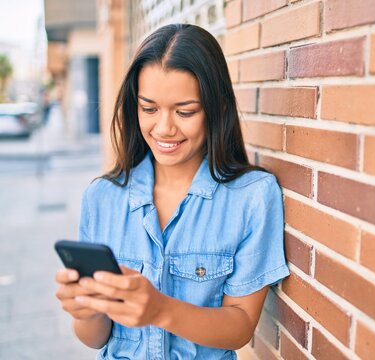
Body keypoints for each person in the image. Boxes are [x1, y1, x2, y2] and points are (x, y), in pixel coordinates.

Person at [54, 24, 289, 359]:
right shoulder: (102, 197)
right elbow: (95, 338)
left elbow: (241, 327)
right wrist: (86, 310)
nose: (163, 128)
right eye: (148, 108)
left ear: (219, 108)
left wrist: (159, 310)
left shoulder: (252, 197)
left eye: (185, 111)